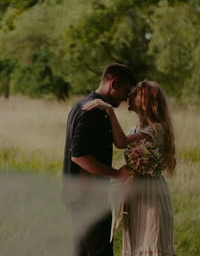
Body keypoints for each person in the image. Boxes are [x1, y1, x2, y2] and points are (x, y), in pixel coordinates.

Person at [82, 80, 177, 256]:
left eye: (134, 94)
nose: (129, 97)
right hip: (134, 193)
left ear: (146, 101)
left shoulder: (157, 129)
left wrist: (109, 110)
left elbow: (121, 142)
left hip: (151, 192)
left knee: (152, 242)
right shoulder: (136, 128)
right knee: (136, 245)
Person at [62, 63, 136, 256]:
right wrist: (116, 173)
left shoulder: (84, 105)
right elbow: (78, 156)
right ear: (115, 83)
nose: (126, 97)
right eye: (126, 91)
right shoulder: (92, 111)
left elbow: (120, 142)